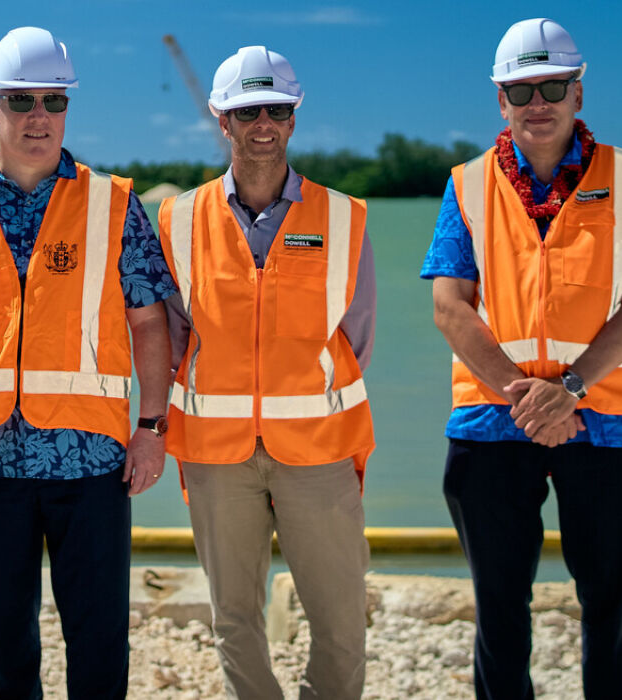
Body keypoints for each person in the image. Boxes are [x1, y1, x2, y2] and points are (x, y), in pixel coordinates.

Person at [0, 26, 175, 699]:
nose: (39, 116)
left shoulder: (114, 204)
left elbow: (149, 322)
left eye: (54, 100)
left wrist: (152, 428)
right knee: (5, 643)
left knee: (99, 640)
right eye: (20, 99)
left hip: (94, 463)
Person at [419, 18, 622, 699]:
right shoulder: (467, 185)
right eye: (521, 90)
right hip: (492, 421)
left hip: (609, 420)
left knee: (611, 612)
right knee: (499, 612)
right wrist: (527, 398)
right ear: (500, 100)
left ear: (578, 93)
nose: (538, 103)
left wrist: (570, 389)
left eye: (553, 87)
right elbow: (450, 307)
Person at [157, 46, 377, 700]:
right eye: (248, 110)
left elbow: (356, 339)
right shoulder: (177, 220)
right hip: (216, 454)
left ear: (293, 118)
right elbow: (173, 341)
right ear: (221, 118)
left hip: (320, 450)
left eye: (277, 110)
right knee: (233, 618)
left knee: (342, 621)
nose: (264, 123)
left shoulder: (344, 218)